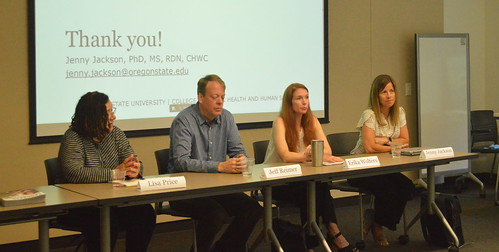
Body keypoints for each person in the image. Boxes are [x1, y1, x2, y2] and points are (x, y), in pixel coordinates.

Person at [168, 74, 261, 252]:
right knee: (216, 214)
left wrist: (241, 159)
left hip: (216, 188)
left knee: (252, 209)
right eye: (214, 97)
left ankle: (222, 248)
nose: (220, 102)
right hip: (185, 191)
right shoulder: (184, 120)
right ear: (200, 97)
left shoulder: (227, 118)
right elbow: (180, 161)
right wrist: (219, 166)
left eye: (222, 97)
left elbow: (238, 150)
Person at [264, 83, 358, 252]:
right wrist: (308, 155)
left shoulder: (312, 121)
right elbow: (285, 156)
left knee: (317, 187)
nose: (304, 102)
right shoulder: (280, 122)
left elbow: (328, 150)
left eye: (306, 97)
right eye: (299, 98)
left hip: (302, 179)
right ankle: (332, 235)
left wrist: (316, 153)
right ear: (289, 102)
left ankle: (318, 238)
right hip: (277, 182)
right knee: (314, 190)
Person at [58, 91, 156, 252]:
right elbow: (74, 173)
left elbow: (133, 160)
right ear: (93, 117)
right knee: (106, 220)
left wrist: (135, 170)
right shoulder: (73, 137)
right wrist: (115, 173)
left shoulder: (116, 133)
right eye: (109, 112)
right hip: (82, 206)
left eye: (112, 111)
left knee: (144, 212)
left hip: (113, 201)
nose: (113, 117)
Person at [349, 74, 415, 247]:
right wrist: (393, 144)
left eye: (392, 91)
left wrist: (383, 141)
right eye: (384, 92)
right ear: (376, 95)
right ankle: (378, 227)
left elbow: (406, 141)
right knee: (388, 190)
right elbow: (369, 148)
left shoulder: (399, 112)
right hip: (360, 168)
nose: (389, 95)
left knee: (407, 187)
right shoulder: (369, 114)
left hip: (383, 167)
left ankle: (376, 221)